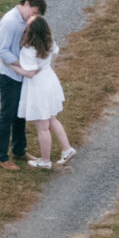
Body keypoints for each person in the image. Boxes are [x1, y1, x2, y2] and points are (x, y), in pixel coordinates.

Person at [14, 14, 74, 168]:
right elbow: (53, 56)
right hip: (49, 79)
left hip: (38, 86)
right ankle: (66, 149)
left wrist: (11, 66)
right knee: (52, 119)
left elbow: (29, 72)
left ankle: (45, 161)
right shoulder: (48, 42)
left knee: (42, 126)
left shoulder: (29, 50)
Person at [0, 0, 46, 168]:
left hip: (19, 74)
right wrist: (21, 65)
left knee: (19, 114)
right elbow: (2, 51)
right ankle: (2, 157)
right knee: (7, 115)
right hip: (8, 75)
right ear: (27, 4)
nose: (34, 17)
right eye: (34, 12)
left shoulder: (25, 20)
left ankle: (19, 150)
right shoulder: (9, 22)